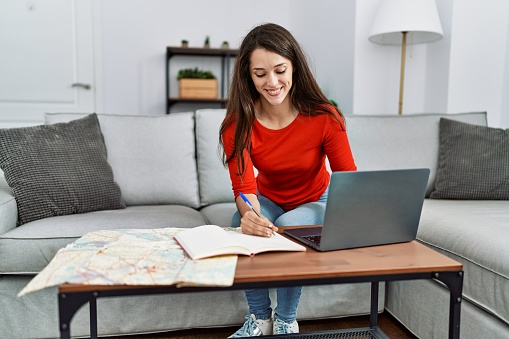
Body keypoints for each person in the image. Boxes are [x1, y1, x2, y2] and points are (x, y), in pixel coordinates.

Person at [219, 23, 357, 337]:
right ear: (248, 76)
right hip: (267, 196)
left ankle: (285, 321)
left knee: (291, 227)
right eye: (260, 74)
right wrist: (251, 216)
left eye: (280, 70)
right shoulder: (237, 124)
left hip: (314, 200)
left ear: (294, 65)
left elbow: (348, 179)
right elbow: (243, 188)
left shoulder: (325, 117)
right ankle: (260, 319)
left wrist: (351, 220)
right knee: (241, 223)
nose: (272, 82)